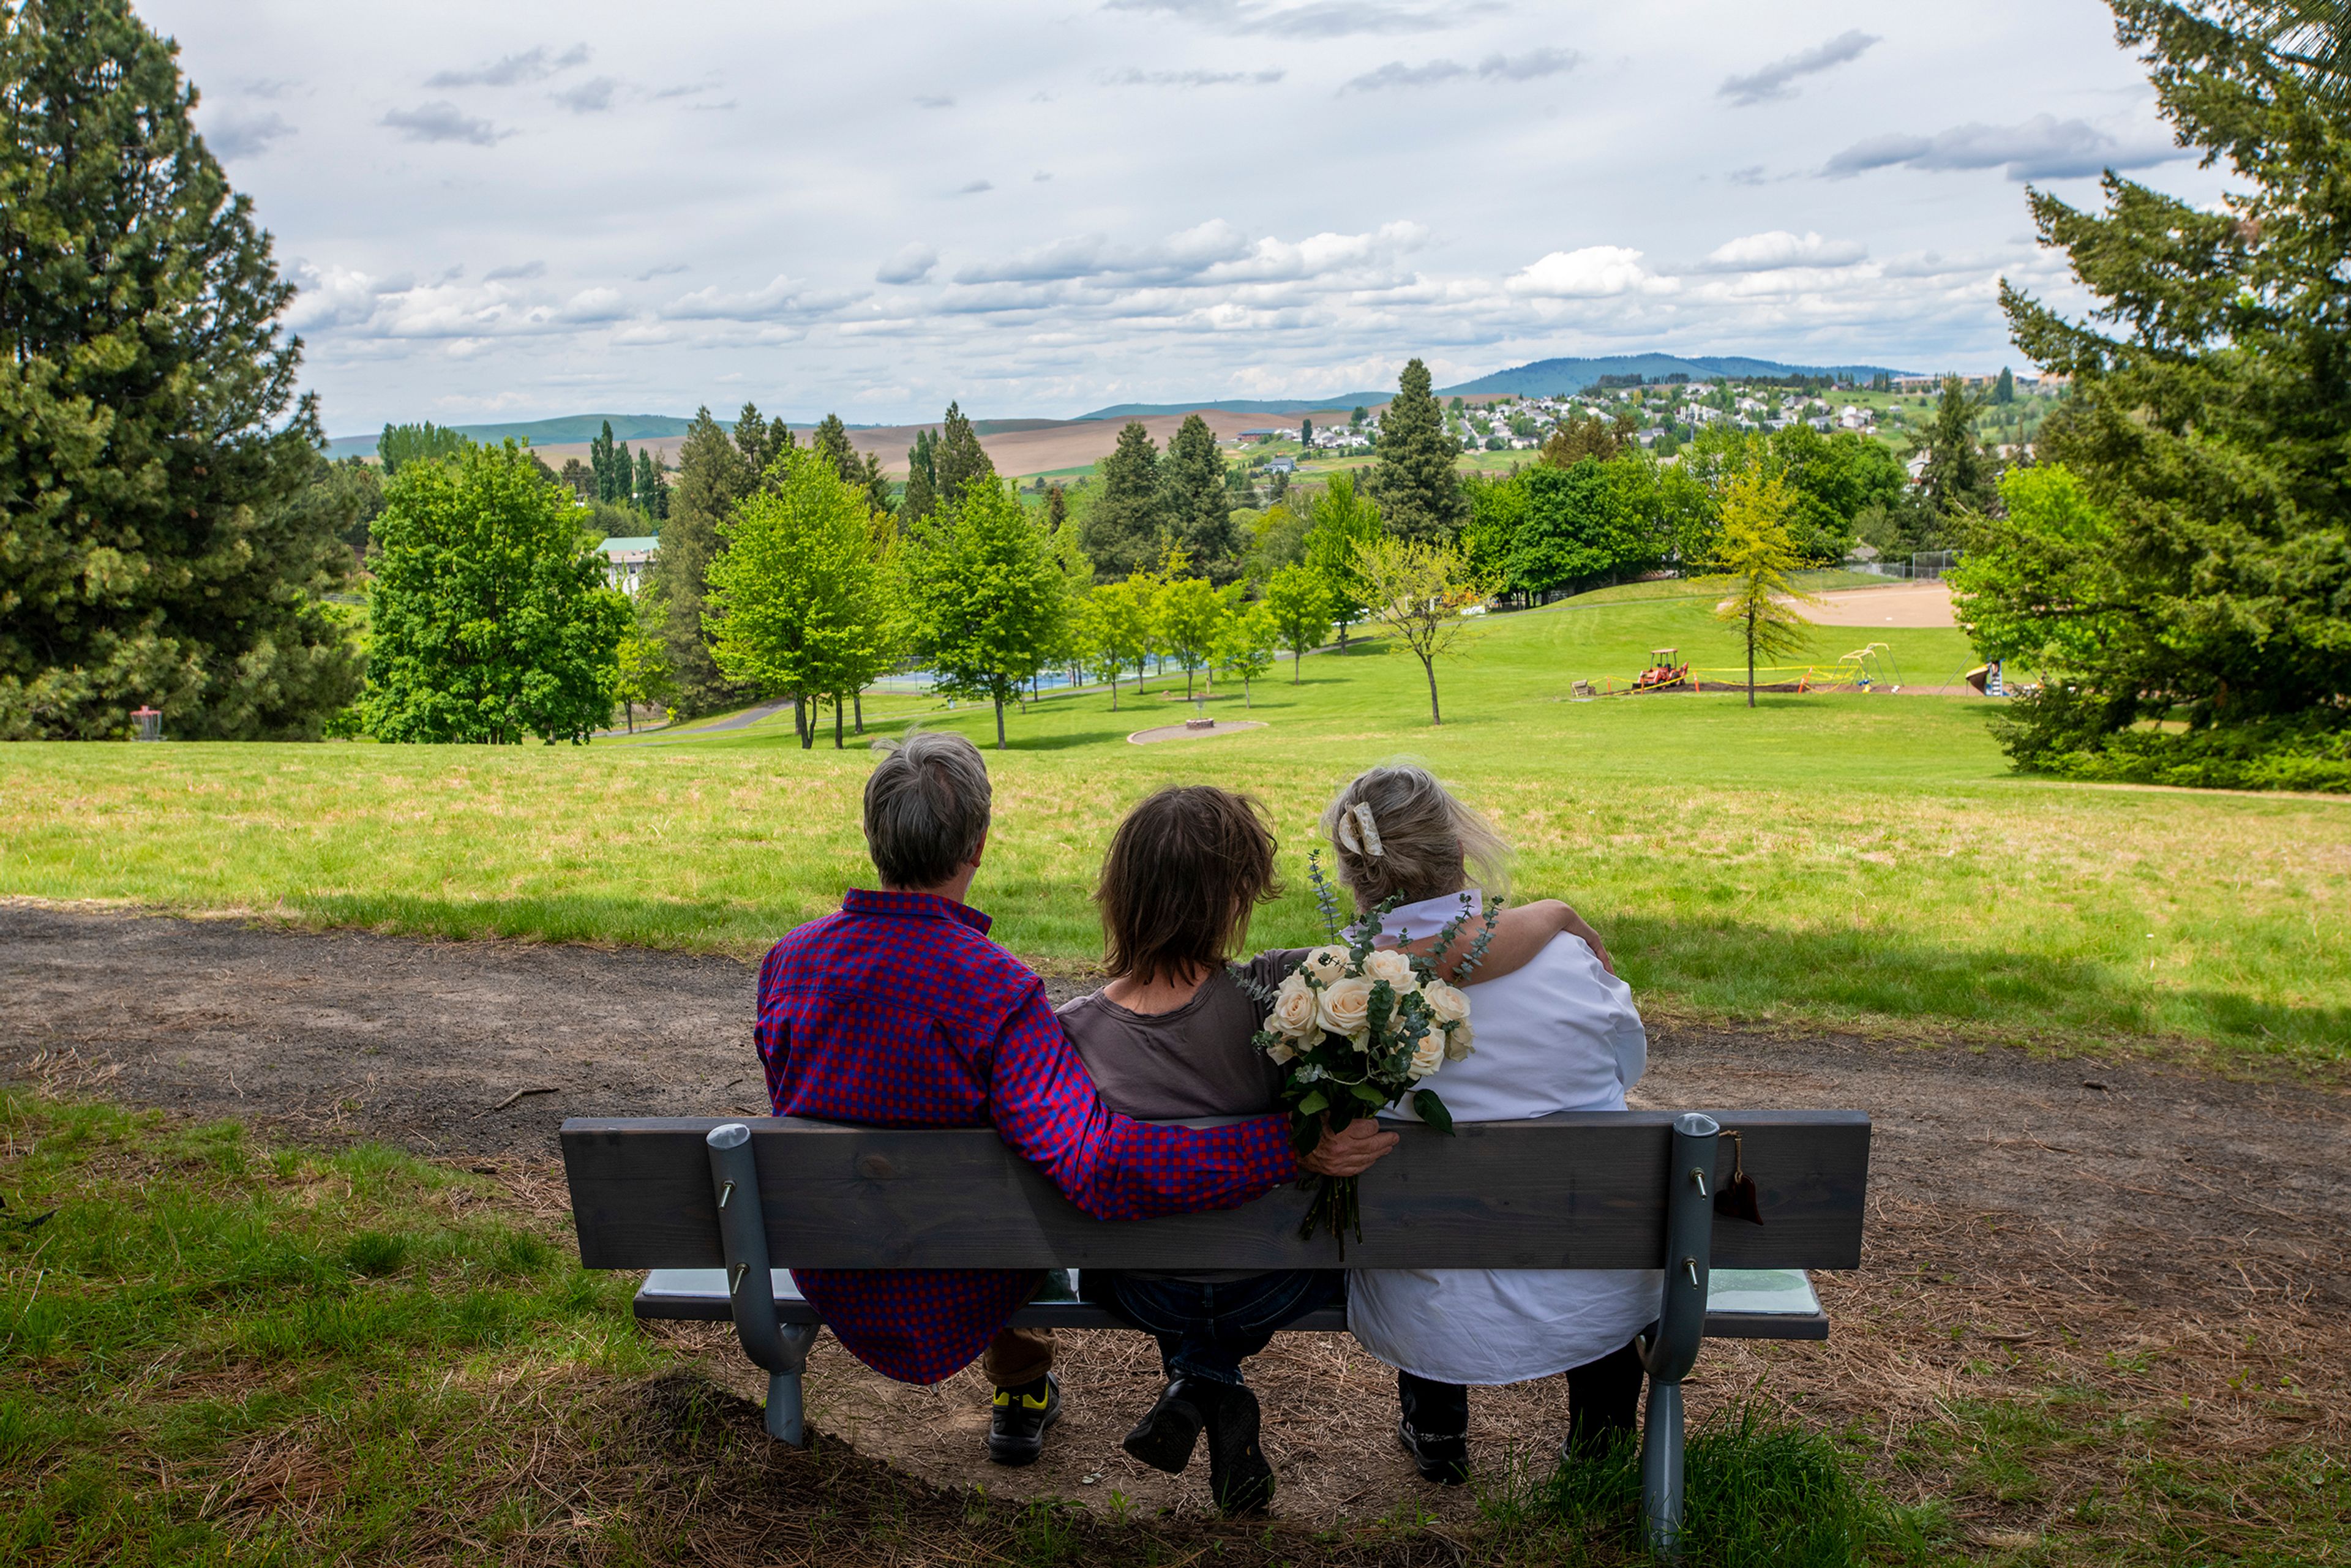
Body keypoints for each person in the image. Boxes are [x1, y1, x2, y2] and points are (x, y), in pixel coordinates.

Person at [752, 733, 1397, 1468]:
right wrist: (1288, 1143)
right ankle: (1120, 1377)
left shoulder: (788, 961)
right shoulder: (998, 991)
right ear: (981, 844)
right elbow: (1094, 1164)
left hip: (834, 1260)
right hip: (967, 1280)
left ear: (873, 836)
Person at [1059, 784, 1607, 1512]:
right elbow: (1438, 953)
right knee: (1309, 1249)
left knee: (1177, 1263)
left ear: (1116, 893)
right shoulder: (1282, 992)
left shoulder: (1069, 1031)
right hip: (1278, 1284)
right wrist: (1554, 914)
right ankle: (1207, 1375)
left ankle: (1200, 1377)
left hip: (1135, 1284)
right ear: (1239, 896)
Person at [1324, 763, 1658, 1486]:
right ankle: (1599, 1445)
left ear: (1354, 869)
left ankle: (1436, 1425)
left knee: (1416, 1203)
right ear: (1458, 847)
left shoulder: (1334, 997)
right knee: (1599, 1196)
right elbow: (1625, 1069)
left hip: (1430, 1302)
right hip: (1593, 1289)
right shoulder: (1567, 961)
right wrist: (1557, 913)